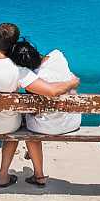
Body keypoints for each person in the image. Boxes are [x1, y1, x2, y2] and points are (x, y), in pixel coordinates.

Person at [0, 23, 79, 188]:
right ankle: (3, 175)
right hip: (7, 126)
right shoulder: (17, 70)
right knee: (19, 124)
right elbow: (51, 91)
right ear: (14, 44)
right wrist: (72, 82)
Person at [9, 39, 80, 187]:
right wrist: (73, 82)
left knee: (28, 131)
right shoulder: (58, 55)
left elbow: (34, 112)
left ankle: (39, 176)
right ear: (33, 48)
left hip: (46, 127)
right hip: (72, 122)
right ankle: (32, 156)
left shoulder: (32, 79)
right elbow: (69, 77)